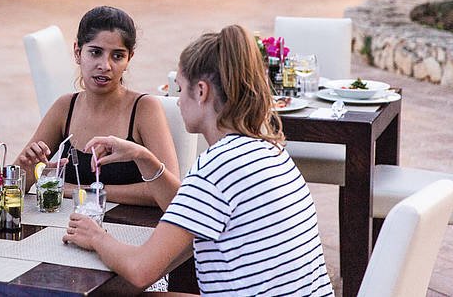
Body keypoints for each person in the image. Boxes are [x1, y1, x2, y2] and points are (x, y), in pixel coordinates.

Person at [63, 25, 333, 296]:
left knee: (113, 294)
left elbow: (140, 269)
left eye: (180, 89)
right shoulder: (268, 150)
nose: (178, 102)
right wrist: (143, 157)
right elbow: (185, 208)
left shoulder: (215, 169)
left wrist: (96, 237)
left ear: (201, 91)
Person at [15, 6, 178, 206]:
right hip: (67, 227)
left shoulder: (144, 108)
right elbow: (14, 188)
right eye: (95, 52)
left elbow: (169, 193)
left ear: (129, 59)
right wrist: (26, 168)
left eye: (117, 56)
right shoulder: (65, 107)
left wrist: (80, 190)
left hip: (131, 230)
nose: (105, 65)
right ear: (77, 52)